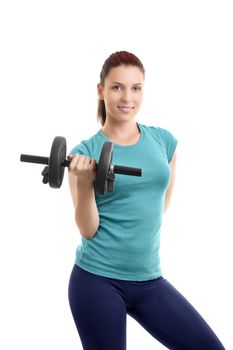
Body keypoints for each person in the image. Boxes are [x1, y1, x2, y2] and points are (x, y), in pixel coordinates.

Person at [67, 51, 225, 350]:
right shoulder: (84, 153)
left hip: (149, 280)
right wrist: (86, 184)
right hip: (96, 280)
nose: (127, 97)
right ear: (101, 91)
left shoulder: (164, 142)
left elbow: (159, 206)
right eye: (117, 87)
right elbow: (88, 230)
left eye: (135, 87)